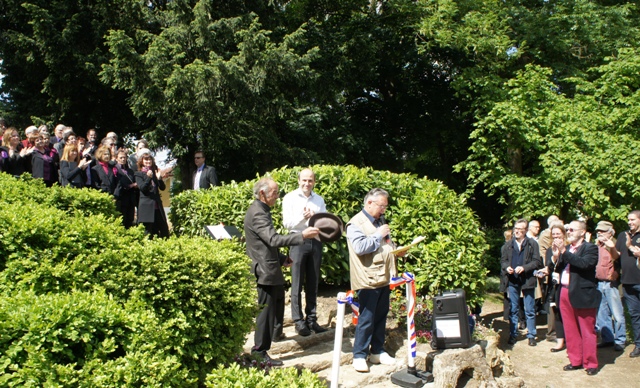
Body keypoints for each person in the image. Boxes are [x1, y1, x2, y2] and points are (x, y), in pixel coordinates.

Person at [244, 177, 319, 366]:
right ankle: (259, 351)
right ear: (262, 194)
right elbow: (273, 240)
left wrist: (281, 259)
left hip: (271, 266)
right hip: (265, 270)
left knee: (276, 306)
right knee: (266, 312)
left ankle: (274, 337)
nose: (277, 196)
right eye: (274, 193)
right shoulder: (258, 213)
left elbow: (264, 243)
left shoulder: (261, 210)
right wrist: (302, 235)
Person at [346, 188, 405, 372]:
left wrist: (397, 250)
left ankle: (377, 351)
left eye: (385, 207)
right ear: (369, 203)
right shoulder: (355, 223)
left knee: (381, 316)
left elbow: (384, 245)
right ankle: (359, 355)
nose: (383, 210)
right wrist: (378, 234)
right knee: (367, 317)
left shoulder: (380, 221)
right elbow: (360, 247)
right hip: (367, 279)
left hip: (383, 277)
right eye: (381, 206)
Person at [282, 168, 327, 337]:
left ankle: (312, 319)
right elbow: (287, 224)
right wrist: (303, 216)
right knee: (297, 282)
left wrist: (317, 217)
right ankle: (298, 321)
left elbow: (325, 222)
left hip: (315, 241)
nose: (307, 183)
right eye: (304, 180)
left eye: (310, 180)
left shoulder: (319, 200)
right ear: (298, 181)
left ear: (314, 182)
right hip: (298, 240)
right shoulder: (289, 198)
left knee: (313, 281)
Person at [554, 220, 599, 375]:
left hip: (582, 293)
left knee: (587, 329)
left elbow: (584, 264)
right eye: (567, 229)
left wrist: (565, 253)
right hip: (565, 291)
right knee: (570, 328)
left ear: (582, 231)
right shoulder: (567, 248)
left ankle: (590, 363)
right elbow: (559, 268)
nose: (569, 232)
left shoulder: (590, 248)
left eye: (572, 229)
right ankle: (575, 360)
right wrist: (557, 256)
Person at [500, 218, 542, 346]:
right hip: (513, 280)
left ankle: (531, 335)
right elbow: (503, 261)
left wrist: (524, 268)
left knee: (529, 309)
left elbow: (537, 262)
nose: (517, 231)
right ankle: (513, 334)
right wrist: (507, 267)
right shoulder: (507, 245)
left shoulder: (532, 244)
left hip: (527, 280)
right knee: (513, 309)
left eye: (520, 229)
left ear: (525, 231)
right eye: (516, 229)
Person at [591, 221, 626, 351]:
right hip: (599, 282)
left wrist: (618, 272)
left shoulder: (616, 244)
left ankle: (620, 340)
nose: (599, 233)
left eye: (603, 231)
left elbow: (623, 262)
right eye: (598, 231)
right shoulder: (596, 245)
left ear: (611, 233)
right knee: (601, 313)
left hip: (612, 284)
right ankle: (608, 338)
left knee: (617, 313)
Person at [538, 223, 567, 352]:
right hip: (553, 283)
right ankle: (553, 334)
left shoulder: (568, 248)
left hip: (566, 282)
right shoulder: (550, 249)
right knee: (553, 308)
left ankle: (565, 335)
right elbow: (549, 265)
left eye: (558, 233)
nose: (555, 236)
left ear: (563, 234)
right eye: (553, 234)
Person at [616, 210, 640, 358]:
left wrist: (632, 248)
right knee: (634, 315)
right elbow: (617, 256)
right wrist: (610, 247)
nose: (630, 222)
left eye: (633, 219)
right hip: (628, 282)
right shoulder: (622, 235)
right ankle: (638, 344)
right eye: (628, 220)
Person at [134, 152, 169, 238]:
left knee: (164, 229)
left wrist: (159, 178)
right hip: (146, 207)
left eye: (150, 159)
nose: (148, 161)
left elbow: (162, 188)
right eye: (146, 159)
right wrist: (148, 177)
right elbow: (142, 188)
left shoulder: (154, 173)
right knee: (148, 232)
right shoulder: (138, 174)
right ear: (141, 161)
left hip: (157, 206)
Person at [113, 149, 137, 228]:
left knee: (130, 219)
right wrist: (130, 186)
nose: (123, 159)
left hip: (131, 198)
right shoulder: (115, 169)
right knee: (122, 219)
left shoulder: (130, 171)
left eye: (124, 157)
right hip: (121, 198)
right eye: (121, 158)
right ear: (116, 158)